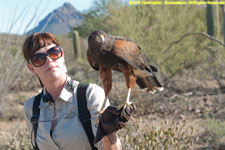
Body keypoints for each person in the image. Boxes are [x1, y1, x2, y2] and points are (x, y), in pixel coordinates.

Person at [22, 32, 135, 150]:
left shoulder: (90, 95)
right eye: (39, 59)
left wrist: (108, 133)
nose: (49, 60)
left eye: (54, 53)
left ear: (62, 56)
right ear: (31, 68)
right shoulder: (32, 107)